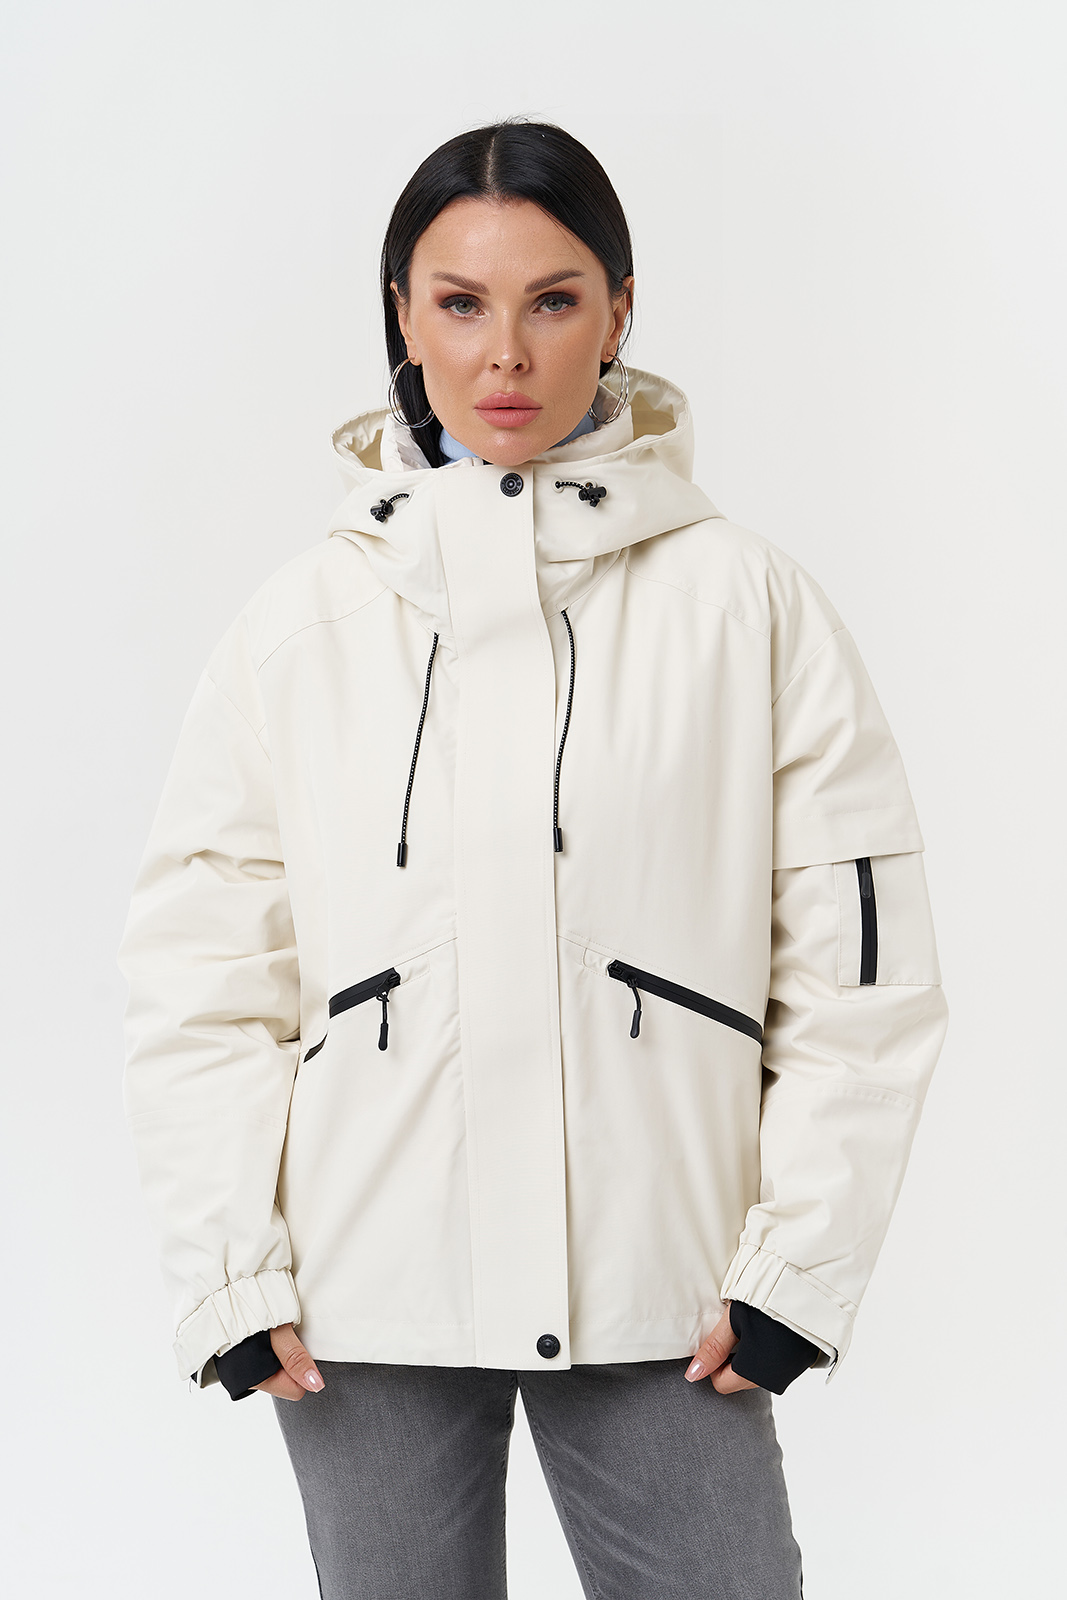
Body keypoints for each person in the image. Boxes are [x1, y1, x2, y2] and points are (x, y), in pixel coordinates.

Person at [119, 120, 949, 1599]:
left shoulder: (745, 606)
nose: (505, 352)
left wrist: (798, 1270)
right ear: (404, 315)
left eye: (553, 300)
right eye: (461, 302)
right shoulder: (300, 629)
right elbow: (201, 975)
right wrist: (230, 1268)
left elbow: (860, 969)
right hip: (363, 1294)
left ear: (620, 312)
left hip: (667, 1287)